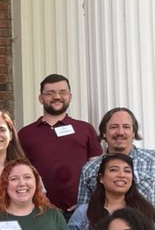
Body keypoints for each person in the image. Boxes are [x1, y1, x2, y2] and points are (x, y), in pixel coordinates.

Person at [16, 74, 102, 214]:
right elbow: (20, 172)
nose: (57, 96)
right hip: (40, 211)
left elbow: (98, 171)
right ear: (41, 98)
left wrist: (87, 201)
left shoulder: (85, 129)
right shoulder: (25, 134)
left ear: (70, 96)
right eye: (50, 93)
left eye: (62, 92)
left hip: (82, 211)